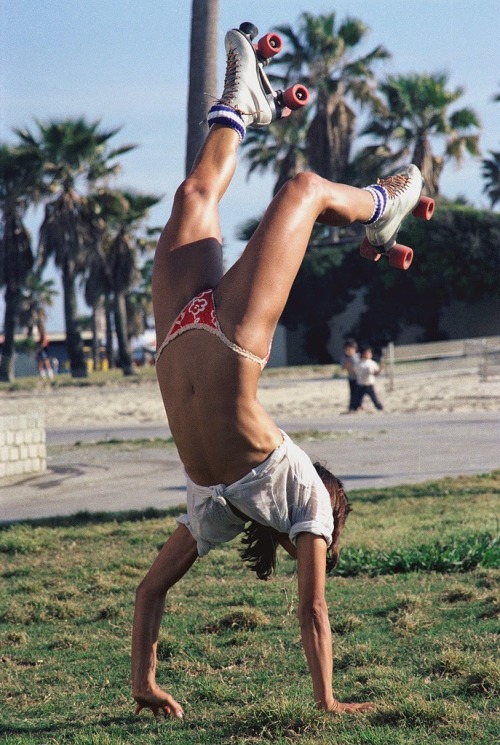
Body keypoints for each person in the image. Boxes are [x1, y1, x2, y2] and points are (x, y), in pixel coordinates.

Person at [132, 23, 426, 720]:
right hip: (231, 339)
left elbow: (158, 593)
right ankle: (371, 202)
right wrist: (326, 697)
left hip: (180, 334)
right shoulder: (291, 504)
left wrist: (145, 681)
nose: (325, 479)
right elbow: (310, 607)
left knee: (191, 198)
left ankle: (255, 120)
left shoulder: (227, 517)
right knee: (301, 190)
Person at [353, 346, 384, 411]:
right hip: (361, 384)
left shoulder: (372, 363)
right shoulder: (359, 363)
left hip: (369, 384)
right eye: (366, 353)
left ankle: (379, 407)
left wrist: (380, 369)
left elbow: (376, 373)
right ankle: (355, 408)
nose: (368, 355)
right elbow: (355, 372)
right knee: (358, 399)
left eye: (369, 353)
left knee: (374, 398)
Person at [341, 338, 360, 413]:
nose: (349, 351)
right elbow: (343, 368)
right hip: (351, 378)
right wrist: (347, 365)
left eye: (351, 349)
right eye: (347, 350)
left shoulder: (358, 356)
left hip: (360, 377)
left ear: (355, 349)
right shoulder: (344, 358)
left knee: (360, 392)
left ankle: (358, 405)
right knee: (352, 392)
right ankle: (352, 407)